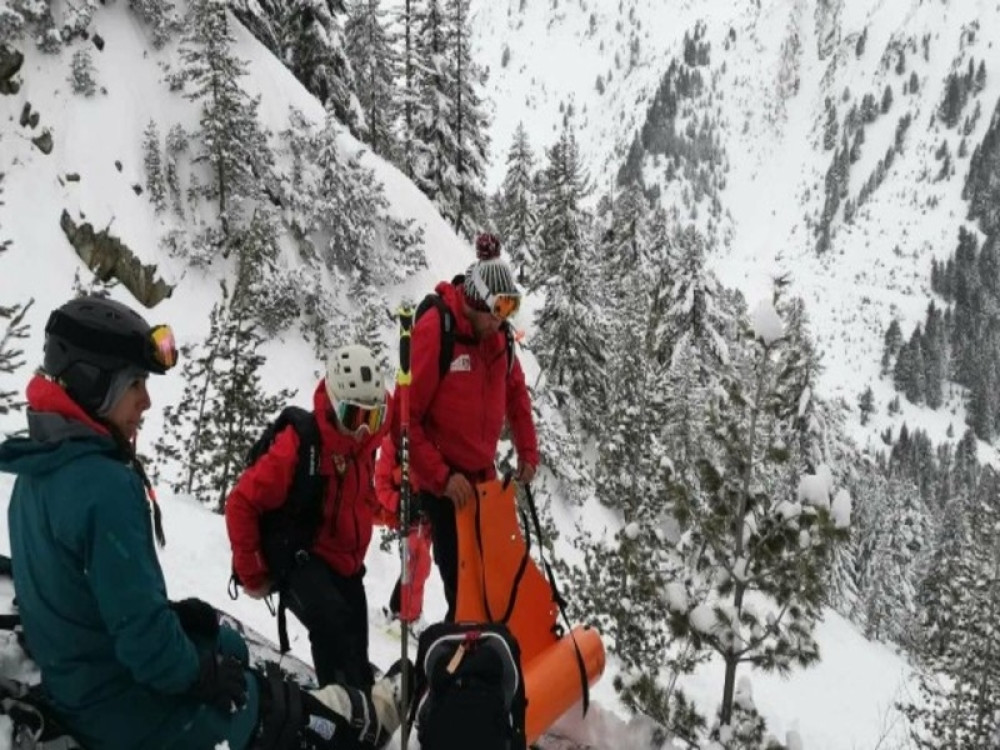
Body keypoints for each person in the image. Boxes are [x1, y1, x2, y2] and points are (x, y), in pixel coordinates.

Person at [0, 295, 406, 750]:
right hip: (122, 708)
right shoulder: (104, 488)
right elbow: (147, 649)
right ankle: (354, 722)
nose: (146, 401)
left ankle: (341, 705)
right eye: (135, 384)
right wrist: (201, 675)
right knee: (271, 709)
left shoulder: (39, 470)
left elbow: (90, 599)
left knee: (227, 645)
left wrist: (179, 627)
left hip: (85, 684)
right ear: (95, 385)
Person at [226, 344, 391, 693]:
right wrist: (253, 574)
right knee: (330, 626)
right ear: (333, 404)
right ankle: (338, 717)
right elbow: (241, 503)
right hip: (303, 555)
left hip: (346, 564)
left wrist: (393, 514)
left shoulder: (362, 447)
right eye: (353, 416)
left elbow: (359, 499)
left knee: (355, 652)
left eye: (372, 418)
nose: (362, 429)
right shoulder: (299, 445)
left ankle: (356, 700)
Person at [405, 233, 540, 622]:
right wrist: (443, 477)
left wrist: (528, 452)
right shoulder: (438, 330)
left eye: (506, 313)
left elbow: (516, 396)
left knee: (496, 587)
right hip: (445, 488)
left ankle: (487, 666)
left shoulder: (497, 339)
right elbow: (406, 417)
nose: (500, 322)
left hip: (483, 482)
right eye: (494, 312)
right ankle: (456, 670)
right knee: (465, 597)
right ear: (476, 302)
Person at [372, 433, 433, 624]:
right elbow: (381, 485)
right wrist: (401, 503)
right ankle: (409, 618)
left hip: (429, 513)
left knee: (415, 566)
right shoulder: (393, 443)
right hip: (406, 514)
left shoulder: (433, 435)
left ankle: (398, 609)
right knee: (418, 560)